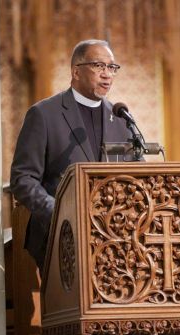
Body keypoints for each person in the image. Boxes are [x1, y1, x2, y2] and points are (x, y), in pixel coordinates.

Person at [10, 39, 133, 269]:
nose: (107, 75)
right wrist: (59, 213)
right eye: (99, 66)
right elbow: (23, 178)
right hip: (60, 236)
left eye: (112, 67)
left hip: (114, 239)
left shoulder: (121, 118)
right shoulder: (44, 114)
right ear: (76, 71)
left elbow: (137, 174)